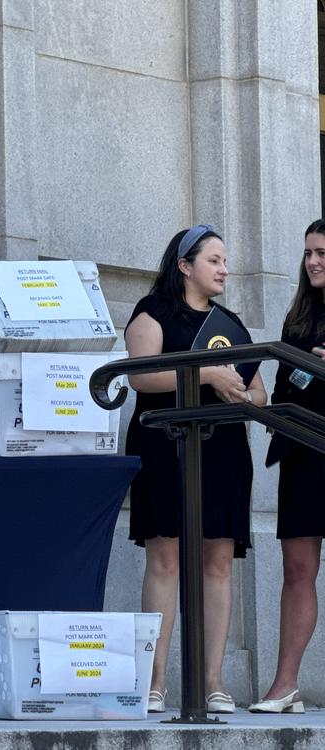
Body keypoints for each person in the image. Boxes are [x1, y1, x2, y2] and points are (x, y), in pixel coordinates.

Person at [123, 224, 268, 715]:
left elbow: (259, 392)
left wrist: (240, 393)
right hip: (166, 444)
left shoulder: (232, 322)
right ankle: (155, 681)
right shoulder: (153, 312)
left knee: (218, 562)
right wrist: (205, 372)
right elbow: (141, 375)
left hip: (223, 448)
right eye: (214, 260)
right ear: (185, 266)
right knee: (165, 557)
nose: (224, 269)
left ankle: (212, 683)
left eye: (225, 261)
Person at [249, 219, 325, 714]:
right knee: (297, 569)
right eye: (308, 254)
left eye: (321, 253)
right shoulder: (297, 315)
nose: (313, 262)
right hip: (303, 451)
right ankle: (285, 686)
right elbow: (281, 386)